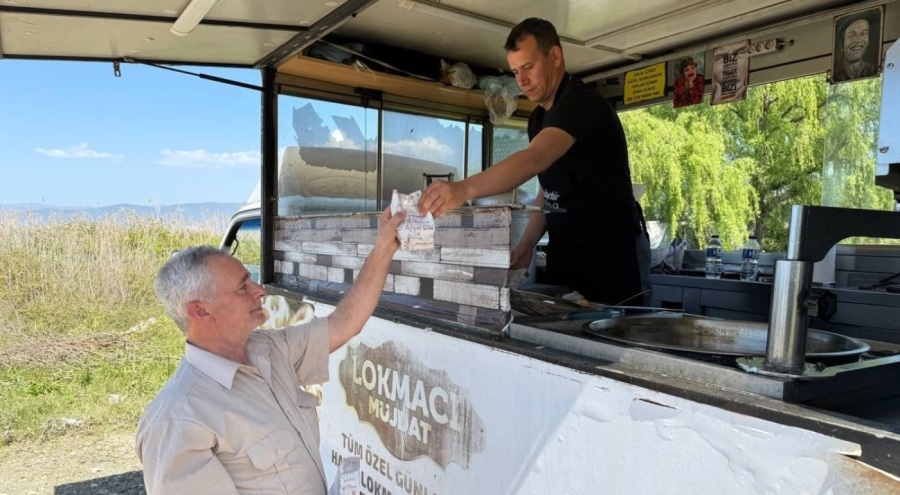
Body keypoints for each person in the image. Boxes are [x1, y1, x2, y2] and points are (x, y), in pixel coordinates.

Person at [135, 207, 404, 495]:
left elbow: (345, 322)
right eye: (242, 288)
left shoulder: (269, 350)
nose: (260, 290)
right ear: (200, 311)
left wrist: (384, 248)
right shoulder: (178, 419)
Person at [418, 17, 650, 305]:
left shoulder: (581, 103)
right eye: (515, 71)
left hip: (611, 261)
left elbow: (534, 159)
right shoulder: (538, 119)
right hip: (566, 259)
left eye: (528, 67)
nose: (521, 81)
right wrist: (526, 245)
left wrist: (462, 189)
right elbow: (549, 193)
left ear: (554, 56)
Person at [832, 13, 878, 83]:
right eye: (852, 35)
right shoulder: (836, 73)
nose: (858, 41)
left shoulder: (872, 70)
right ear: (841, 44)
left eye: (863, 34)